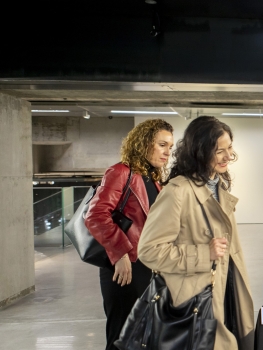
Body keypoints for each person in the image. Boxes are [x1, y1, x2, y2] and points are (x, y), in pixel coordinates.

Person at [138, 116, 255, 350]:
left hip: (226, 290)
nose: (227, 156)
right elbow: (148, 251)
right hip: (196, 304)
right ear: (199, 151)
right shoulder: (177, 191)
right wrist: (204, 254)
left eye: (229, 147)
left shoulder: (218, 185)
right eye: (218, 150)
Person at [85, 119, 174, 350]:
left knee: (145, 333)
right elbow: (95, 215)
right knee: (122, 336)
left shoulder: (153, 178)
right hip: (124, 267)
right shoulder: (120, 172)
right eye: (162, 145)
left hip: (147, 266)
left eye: (170, 147)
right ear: (144, 143)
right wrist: (120, 253)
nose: (167, 152)